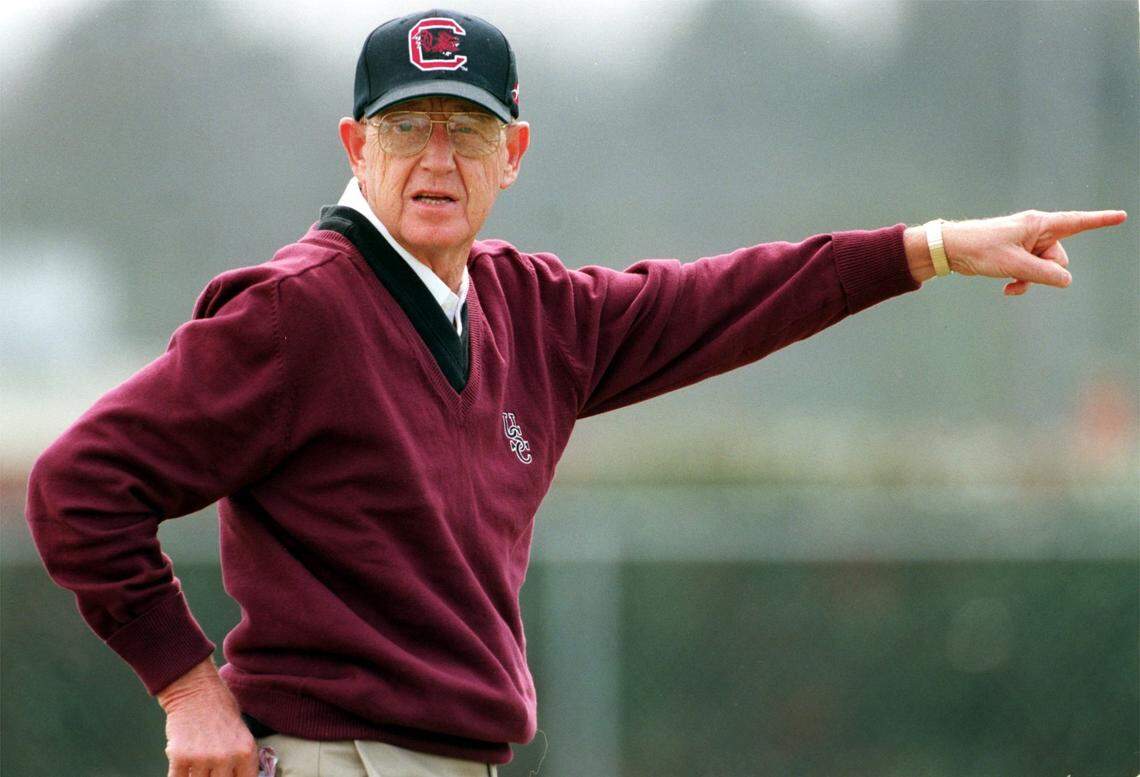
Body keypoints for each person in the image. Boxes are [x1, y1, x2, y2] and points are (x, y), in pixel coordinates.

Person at [23, 8, 1126, 777]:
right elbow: (80, 486)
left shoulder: (530, 310)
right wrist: (185, 686)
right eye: (408, 127)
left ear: (518, 154)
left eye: (469, 129)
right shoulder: (297, 312)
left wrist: (930, 248)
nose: (438, 157)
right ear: (357, 146)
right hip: (331, 759)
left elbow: (723, 299)